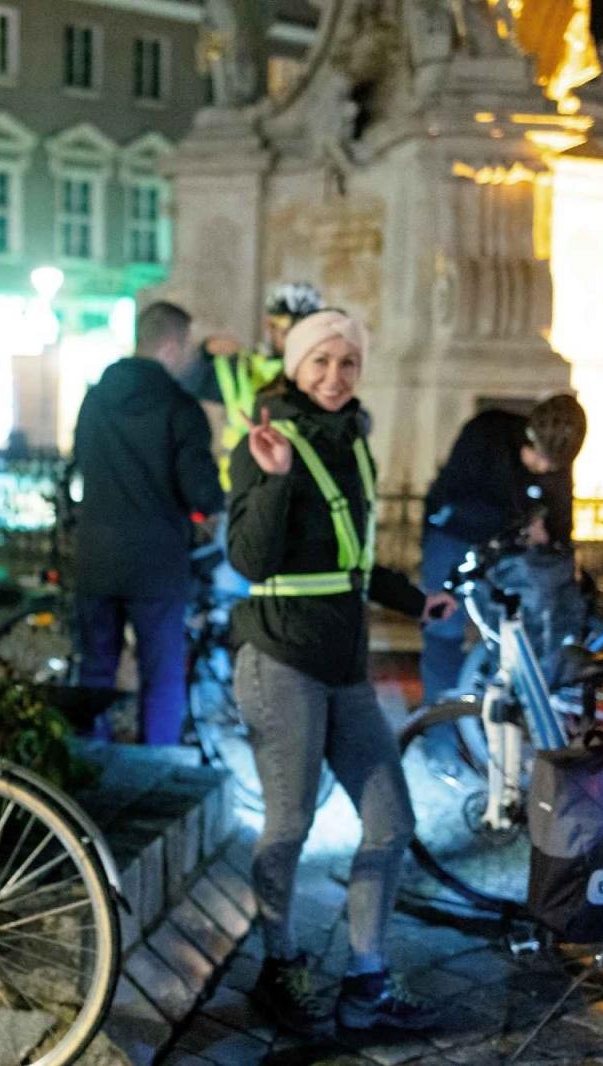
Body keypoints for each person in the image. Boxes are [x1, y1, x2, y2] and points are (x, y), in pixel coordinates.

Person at [227, 309, 454, 1034]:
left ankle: (366, 979)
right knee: (288, 823)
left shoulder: (356, 444)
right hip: (280, 659)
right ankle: (278, 962)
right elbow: (251, 562)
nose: (333, 376)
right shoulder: (264, 443)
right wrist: (272, 481)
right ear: (294, 368)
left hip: (345, 665)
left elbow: (349, 562)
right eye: (319, 362)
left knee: (391, 819)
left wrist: (417, 601)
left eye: (347, 363)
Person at [72, 300, 224, 746]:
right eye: (189, 346)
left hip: (95, 556)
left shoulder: (96, 398)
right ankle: (155, 767)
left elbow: (81, 462)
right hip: (157, 563)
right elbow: (201, 492)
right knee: (161, 675)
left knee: (95, 671)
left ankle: (88, 765)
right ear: (173, 346)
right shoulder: (181, 408)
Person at [417, 393, 587, 767]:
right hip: (455, 539)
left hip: (507, 554)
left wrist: (552, 538)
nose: (543, 469)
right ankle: (441, 743)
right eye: (538, 459)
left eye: (553, 466)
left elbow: (562, 520)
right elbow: (454, 498)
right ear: (527, 437)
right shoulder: (487, 434)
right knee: (443, 636)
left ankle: (492, 737)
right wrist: (517, 522)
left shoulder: (558, 464)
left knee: (506, 646)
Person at [181, 282, 325, 488]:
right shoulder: (242, 366)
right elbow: (187, 382)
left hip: (299, 488)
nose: (296, 340)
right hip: (242, 486)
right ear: (270, 326)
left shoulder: (323, 373)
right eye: (287, 332)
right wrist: (203, 352)